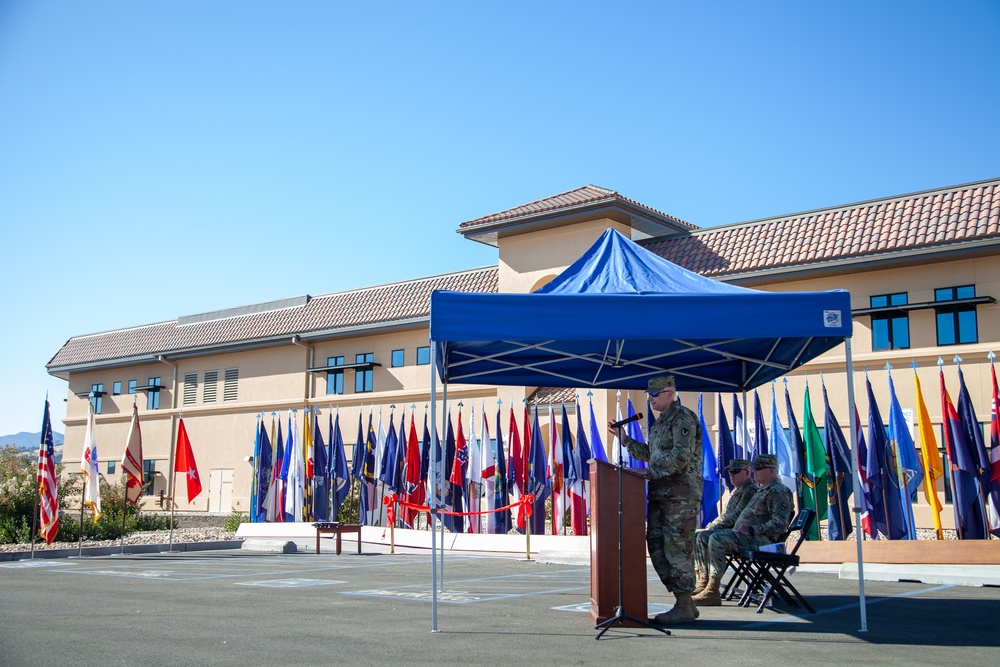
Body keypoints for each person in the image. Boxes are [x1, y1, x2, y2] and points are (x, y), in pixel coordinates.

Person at [609, 375, 702, 625]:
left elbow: (680, 457)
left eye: (655, 394)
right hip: (661, 494)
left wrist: (649, 473)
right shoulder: (660, 423)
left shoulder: (683, 418)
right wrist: (625, 439)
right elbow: (652, 454)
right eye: (648, 394)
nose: (650, 398)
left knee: (676, 548)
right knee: (657, 545)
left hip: (680, 497)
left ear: (670, 392)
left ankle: (684, 603)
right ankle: (685, 601)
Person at [691, 453, 794, 606]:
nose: (754, 472)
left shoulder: (778, 491)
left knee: (716, 539)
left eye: (759, 468)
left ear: (771, 470)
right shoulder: (764, 490)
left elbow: (779, 524)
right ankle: (703, 582)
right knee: (702, 537)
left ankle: (712, 591)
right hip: (747, 537)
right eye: (754, 468)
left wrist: (752, 529)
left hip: (761, 541)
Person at [692, 458, 758, 594]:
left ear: (746, 473)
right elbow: (724, 515)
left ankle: (712, 586)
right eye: (729, 472)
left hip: (743, 534)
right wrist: (712, 525)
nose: (731, 475)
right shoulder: (736, 491)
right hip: (731, 530)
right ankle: (702, 579)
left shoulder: (749, 491)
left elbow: (735, 517)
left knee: (712, 538)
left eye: (735, 471)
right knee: (698, 536)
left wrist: (714, 528)